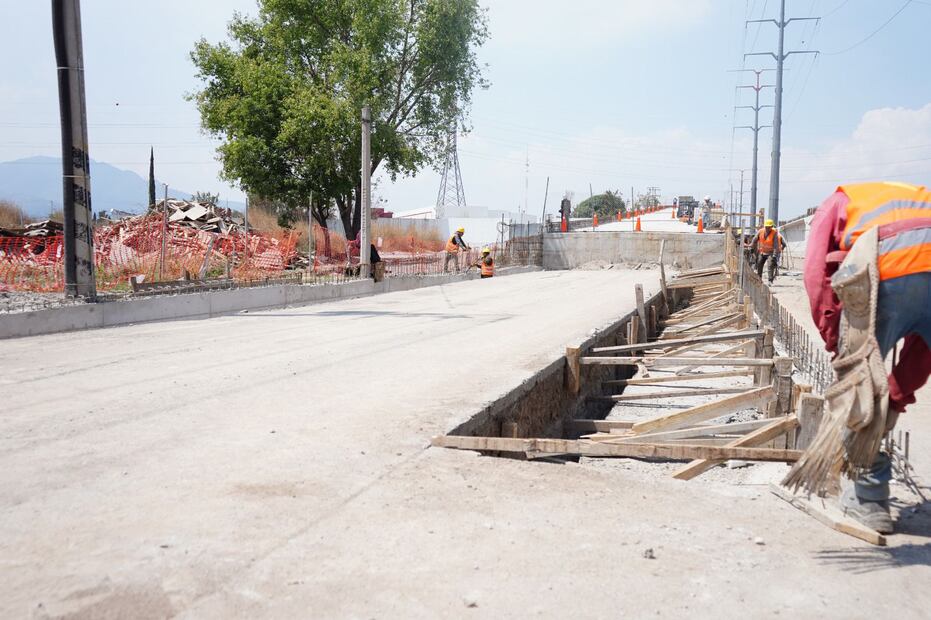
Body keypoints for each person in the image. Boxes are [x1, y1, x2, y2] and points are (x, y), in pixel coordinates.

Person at [805, 181, 931, 533]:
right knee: (896, 385)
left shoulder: (837, 201)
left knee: (858, 390)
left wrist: (836, 340)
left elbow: (816, 275)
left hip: (887, 269)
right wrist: (896, 393)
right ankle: (886, 409)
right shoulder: (918, 198)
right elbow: (923, 355)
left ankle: (869, 500)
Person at [750, 219, 786, 283]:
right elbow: (754, 239)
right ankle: (759, 278)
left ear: (771, 227)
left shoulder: (774, 233)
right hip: (762, 251)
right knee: (759, 264)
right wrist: (751, 246)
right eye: (766, 227)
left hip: (771, 252)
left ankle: (770, 280)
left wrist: (775, 254)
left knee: (770, 265)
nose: (767, 228)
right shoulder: (760, 231)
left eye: (768, 227)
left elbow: (776, 244)